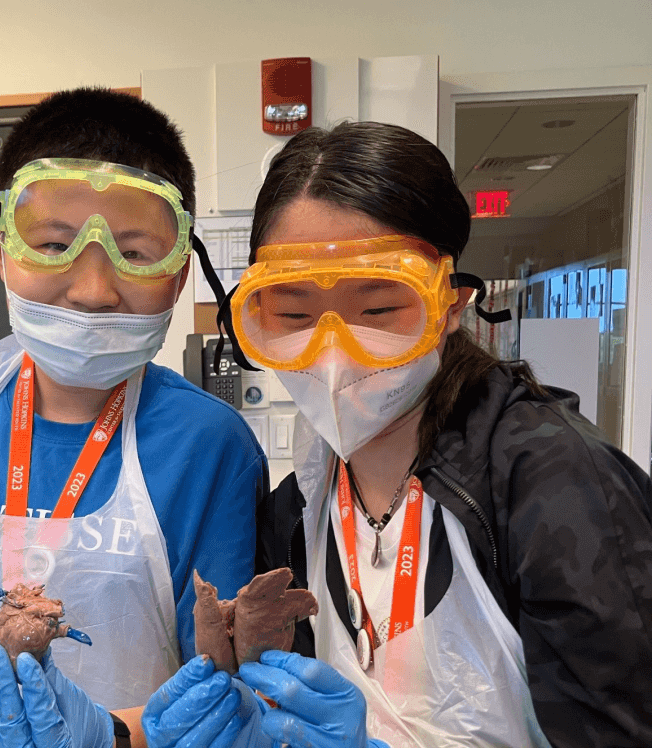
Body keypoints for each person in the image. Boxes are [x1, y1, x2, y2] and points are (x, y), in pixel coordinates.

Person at [168, 120, 652, 747]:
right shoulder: (300, 509)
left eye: (378, 310)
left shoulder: (556, 486)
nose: (333, 354)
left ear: (450, 305)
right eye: (293, 315)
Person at [0, 87, 270, 748]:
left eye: (137, 252)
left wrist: (109, 737)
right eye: (54, 243)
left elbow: (220, 686)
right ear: (3, 249)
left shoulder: (209, 446)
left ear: (181, 275)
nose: (93, 290)